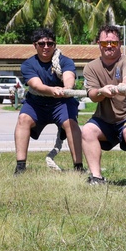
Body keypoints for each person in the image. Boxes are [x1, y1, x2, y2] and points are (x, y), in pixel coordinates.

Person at [14, 27, 83, 175]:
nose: (46, 47)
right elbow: (36, 85)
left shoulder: (65, 61)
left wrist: (67, 88)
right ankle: (20, 167)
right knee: (23, 119)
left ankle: (78, 167)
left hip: (62, 103)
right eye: (41, 44)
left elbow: (69, 76)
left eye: (50, 43)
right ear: (35, 45)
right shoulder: (27, 65)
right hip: (36, 103)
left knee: (71, 123)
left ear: (55, 45)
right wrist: (52, 90)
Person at [82, 25, 126, 186]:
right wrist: (101, 91)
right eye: (105, 43)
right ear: (98, 44)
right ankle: (96, 177)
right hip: (105, 119)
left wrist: (123, 86)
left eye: (113, 43)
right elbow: (93, 95)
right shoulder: (90, 68)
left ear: (120, 44)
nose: (109, 46)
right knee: (87, 130)